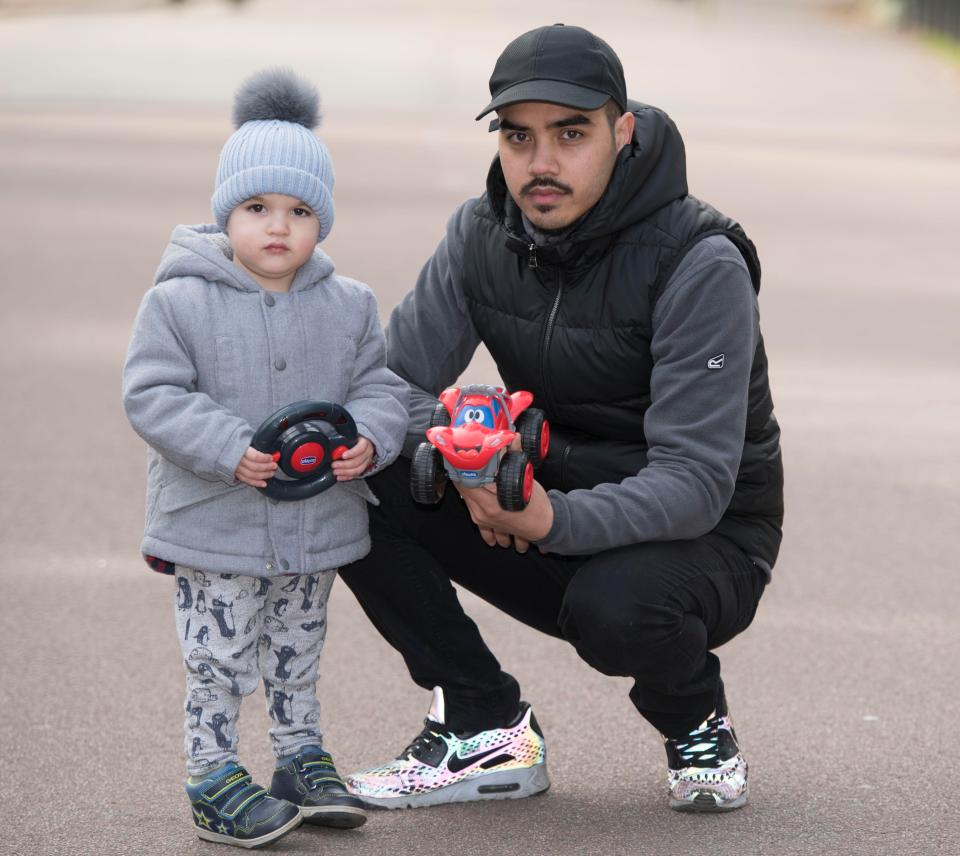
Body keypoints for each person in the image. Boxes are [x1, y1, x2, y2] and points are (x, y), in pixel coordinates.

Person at [340, 23, 783, 814]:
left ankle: (694, 719)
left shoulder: (699, 261)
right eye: (519, 137)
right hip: (527, 496)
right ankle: (484, 726)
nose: (540, 164)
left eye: (570, 135)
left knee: (618, 611)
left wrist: (549, 518)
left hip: (704, 537)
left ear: (622, 131)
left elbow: (694, 483)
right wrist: (469, 455)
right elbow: (388, 384)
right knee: (354, 468)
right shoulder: (480, 235)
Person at [122, 69, 409, 847]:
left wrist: (370, 438)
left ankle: (298, 757)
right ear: (227, 213)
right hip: (214, 527)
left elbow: (380, 387)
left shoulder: (347, 304)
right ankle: (212, 774)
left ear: (323, 222)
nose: (278, 227)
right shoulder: (179, 300)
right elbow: (150, 394)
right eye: (257, 208)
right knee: (219, 659)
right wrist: (228, 447)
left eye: (299, 211)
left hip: (311, 528)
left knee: (296, 650)